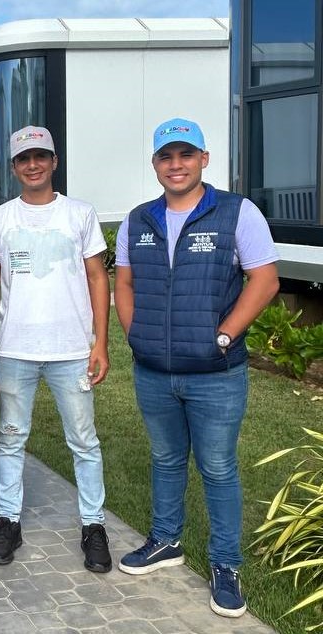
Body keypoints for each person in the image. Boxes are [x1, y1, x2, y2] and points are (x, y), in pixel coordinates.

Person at [115, 118, 279, 617]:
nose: (176, 165)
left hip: (217, 375)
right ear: (155, 165)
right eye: (166, 156)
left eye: (186, 155)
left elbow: (265, 280)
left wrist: (225, 335)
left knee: (217, 467)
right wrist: (134, 334)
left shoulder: (236, 213)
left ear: (204, 159)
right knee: (165, 461)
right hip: (154, 372)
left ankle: (226, 565)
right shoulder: (138, 219)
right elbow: (124, 283)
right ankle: (166, 542)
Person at [0, 126, 113, 574]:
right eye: (23, 158)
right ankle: (8, 520)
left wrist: (101, 343)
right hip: (15, 348)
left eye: (41, 156)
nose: (32, 165)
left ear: (54, 162)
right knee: (12, 438)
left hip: (72, 348)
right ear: (14, 167)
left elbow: (98, 277)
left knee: (84, 441)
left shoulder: (80, 214)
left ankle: (93, 525)